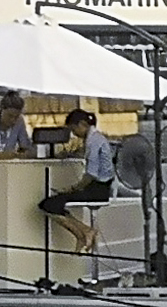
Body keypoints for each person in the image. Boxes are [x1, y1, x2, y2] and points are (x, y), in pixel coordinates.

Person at [42, 104, 116, 267]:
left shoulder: (93, 141)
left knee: (48, 205)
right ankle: (83, 232)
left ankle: (84, 233)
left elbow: (91, 174)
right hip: (99, 188)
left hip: (97, 189)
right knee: (56, 204)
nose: (74, 134)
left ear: (82, 124)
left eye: (74, 129)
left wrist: (73, 188)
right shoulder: (96, 138)